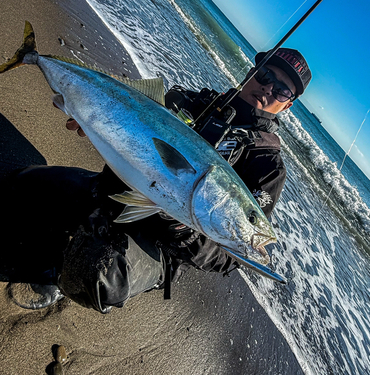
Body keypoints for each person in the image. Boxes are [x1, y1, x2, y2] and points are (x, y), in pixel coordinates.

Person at [2, 47, 311, 313]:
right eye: (265, 76)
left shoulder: (267, 166)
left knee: (97, 275)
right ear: (251, 72)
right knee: (22, 184)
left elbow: (226, 261)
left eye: (282, 90)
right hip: (108, 194)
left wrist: (182, 227)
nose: (268, 89)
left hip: (158, 244)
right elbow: (132, 118)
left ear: (288, 104)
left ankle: (60, 274)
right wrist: (93, 120)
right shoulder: (194, 102)